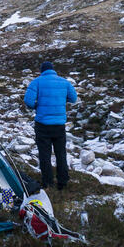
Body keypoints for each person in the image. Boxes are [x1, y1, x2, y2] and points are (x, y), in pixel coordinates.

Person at [24, 61, 77, 190]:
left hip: (42, 125)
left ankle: (48, 183)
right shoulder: (64, 82)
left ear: (41, 71)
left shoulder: (36, 82)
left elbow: (28, 101)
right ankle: (63, 182)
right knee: (61, 154)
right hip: (59, 125)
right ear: (53, 70)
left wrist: (37, 106)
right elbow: (73, 98)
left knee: (44, 155)